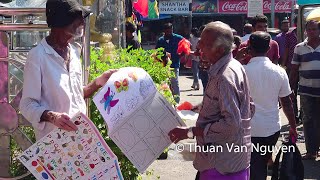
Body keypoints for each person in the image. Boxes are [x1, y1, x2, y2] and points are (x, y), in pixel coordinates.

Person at [19, 0, 117, 140]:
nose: (82, 24)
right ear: (61, 23)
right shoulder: (38, 56)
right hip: (54, 145)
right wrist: (53, 117)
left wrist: (97, 83)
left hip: (80, 138)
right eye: (77, 21)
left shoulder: (74, 52)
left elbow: (75, 95)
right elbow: (27, 105)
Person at [169, 21, 253, 179]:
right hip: (231, 159)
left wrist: (190, 132)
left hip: (221, 164)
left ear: (220, 50)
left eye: (204, 43)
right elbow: (248, 107)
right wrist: (202, 107)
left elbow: (232, 124)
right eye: (200, 40)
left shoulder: (224, 77)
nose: (199, 46)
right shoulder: (234, 65)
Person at [243, 32, 297, 180]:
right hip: (272, 129)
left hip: (248, 130)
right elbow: (286, 102)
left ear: (249, 47)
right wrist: (293, 126)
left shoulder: (242, 71)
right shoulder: (280, 71)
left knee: (254, 166)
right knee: (262, 163)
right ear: (268, 48)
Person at [290, 20, 320, 160]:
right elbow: (294, 70)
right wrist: (291, 89)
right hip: (306, 92)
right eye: (310, 29)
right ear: (306, 31)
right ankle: (311, 151)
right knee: (308, 121)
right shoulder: (299, 48)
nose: (312, 31)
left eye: (315, 29)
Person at [156, 23, 183, 103]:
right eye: (167, 31)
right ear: (164, 31)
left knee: (175, 83)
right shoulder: (161, 40)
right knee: (165, 84)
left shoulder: (178, 38)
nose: (169, 32)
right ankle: (168, 101)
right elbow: (157, 52)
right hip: (163, 66)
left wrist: (180, 55)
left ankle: (176, 102)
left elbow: (187, 45)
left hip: (174, 65)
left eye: (170, 30)